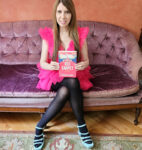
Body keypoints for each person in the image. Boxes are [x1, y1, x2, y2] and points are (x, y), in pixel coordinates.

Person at [34, 0, 94, 149]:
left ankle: (39, 127)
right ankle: (82, 125)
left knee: (69, 86)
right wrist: (50, 65)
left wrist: (83, 64)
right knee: (71, 83)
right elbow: (42, 62)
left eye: (67, 12)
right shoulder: (49, 35)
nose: (63, 16)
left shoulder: (79, 34)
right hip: (54, 75)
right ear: (55, 14)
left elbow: (86, 60)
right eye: (59, 12)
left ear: (72, 14)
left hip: (74, 74)